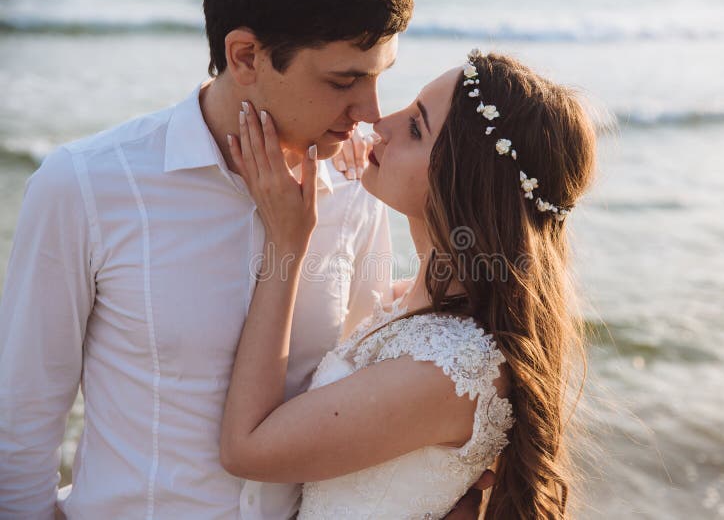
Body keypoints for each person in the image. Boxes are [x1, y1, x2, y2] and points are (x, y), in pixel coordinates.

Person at [0, 0, 414, 518]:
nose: (370, 112)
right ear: (245, 56)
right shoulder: (85, 186)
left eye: (380, 75)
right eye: (344, 80)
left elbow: (350, 399)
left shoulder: (356, 189)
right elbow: (22, 421)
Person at [219, 50, 597, 519]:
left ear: (465, 183)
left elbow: (246, 448)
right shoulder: (413, 304)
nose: (381, 123)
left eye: (416, 128)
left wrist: (286, 242)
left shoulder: (449, 370)